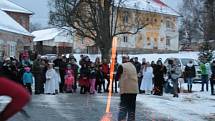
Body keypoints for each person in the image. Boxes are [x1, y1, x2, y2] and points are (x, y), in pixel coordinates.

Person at [116, 56, 139, 121]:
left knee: (123, 107)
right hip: (134, 90)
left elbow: (117, 78)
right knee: (132, 108)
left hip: (126, 90)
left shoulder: (122, 66)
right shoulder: (133, 66)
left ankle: (121, 119)